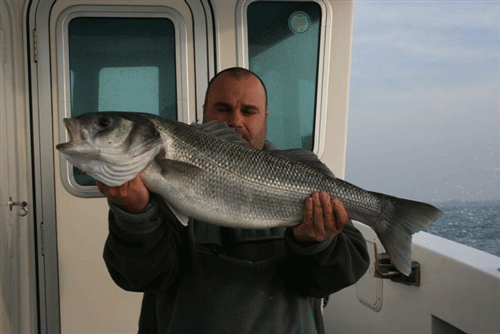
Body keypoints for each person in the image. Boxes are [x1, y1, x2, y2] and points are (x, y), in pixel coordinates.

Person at [98, 67, 369, 334]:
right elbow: (141, 277)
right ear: (204, 111)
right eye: (223, 108)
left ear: (265, 117)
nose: (235, 121)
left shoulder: (301, 179)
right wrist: (136, 217)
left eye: (248, 111)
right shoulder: (157, 185)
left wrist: (315, 244)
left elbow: (335, 277)